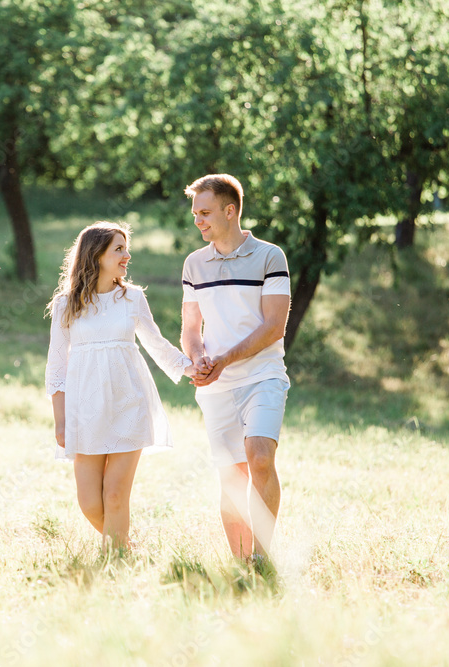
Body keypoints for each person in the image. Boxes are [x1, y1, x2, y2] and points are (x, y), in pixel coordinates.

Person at [45, 221, 195, 552]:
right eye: (119, 249)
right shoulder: (66, 304)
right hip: (85, 410)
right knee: (89, 503)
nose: (127, 255)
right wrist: (61, 421)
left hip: (129, 403)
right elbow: (57, 366)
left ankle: (116, 564)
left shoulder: (132, 298)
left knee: (114, 495)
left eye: (126, 248)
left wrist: (191, 368)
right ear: (96, 254)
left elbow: (156, 344)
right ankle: (128, 548)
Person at [180, 174, 292, 572]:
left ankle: (261, 557)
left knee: (259, 457)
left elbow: (274, 326)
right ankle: (242, 566)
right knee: (232, 475)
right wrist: (197, 358)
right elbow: (191, 329)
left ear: (230, 210)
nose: (198, 221)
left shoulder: (269, 256)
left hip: (262, 376)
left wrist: (224, 359)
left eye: (205, 212)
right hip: (216, 387)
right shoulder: (194, 263)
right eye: (195, 214)